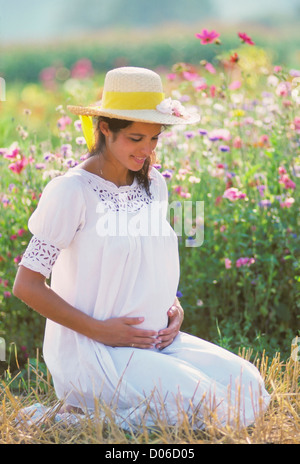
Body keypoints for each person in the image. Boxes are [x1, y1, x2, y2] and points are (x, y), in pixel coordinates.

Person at [13, 67, 270, 429]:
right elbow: (26, 285)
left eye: (154, 139)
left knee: (248, 386)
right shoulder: (71, 192)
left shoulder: (153, 183)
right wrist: (101, 331)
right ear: (105, 129)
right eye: (136, 138)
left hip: (154, 342)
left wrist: (172, 307)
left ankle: (97, 416)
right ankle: (75, 415)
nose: (147, 150)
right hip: (96, 353)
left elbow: (149, 262)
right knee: (208, 406)